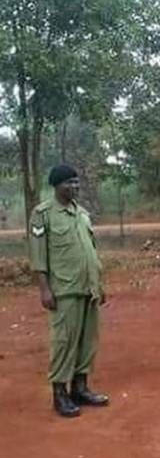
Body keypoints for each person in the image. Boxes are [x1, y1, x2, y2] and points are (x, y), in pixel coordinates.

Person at [29, 164, 109, 417]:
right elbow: (38, 256)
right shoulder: (43, 214)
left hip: (88, 287)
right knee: (64, 342)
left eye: (76, 182)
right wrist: (44, 289)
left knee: (87, 341)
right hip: (64, 289)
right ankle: (60, 393)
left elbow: (91, 251)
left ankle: (80, 388)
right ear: (56, 186)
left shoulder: (82, 214)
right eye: (69, 183)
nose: (74, 186)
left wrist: (98, 284)